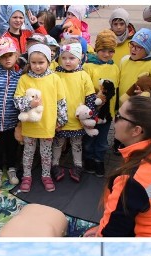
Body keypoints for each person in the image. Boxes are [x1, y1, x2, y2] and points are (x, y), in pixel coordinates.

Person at [91, 96, 151, 237]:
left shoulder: (131, 180)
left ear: (136, 131)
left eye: (119, 117)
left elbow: (110, 236)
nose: (114, 122)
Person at [15, 43, 67, 193]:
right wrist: (29, 103)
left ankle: (46, 175)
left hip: (47, 124)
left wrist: (61, 120)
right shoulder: (24, 79)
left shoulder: (55, 78)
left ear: (49, 62)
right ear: (29, 62)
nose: (37, 66)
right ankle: (26, 176)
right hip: (30, 126)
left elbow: (61, 101)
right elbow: (17, 100)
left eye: (41, 62)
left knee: (46, 153)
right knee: (28, 152)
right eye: (34, 63)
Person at [51, 40, 97, 183]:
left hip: (77, 120)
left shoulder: (83, 75)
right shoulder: (55, 74)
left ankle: (78, 166)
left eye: (72, 58)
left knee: (77, 144)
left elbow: (90, 96)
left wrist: (90, 115)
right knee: (58, 143)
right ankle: (55, 164)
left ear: (80, 58)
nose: (67, 61)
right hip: (60, 120)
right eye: (63, 58)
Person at [0, 37, 23, 188]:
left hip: (13, 122)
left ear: (16, 55)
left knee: (12, 147)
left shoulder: (20, 76)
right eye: (3, 56)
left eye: (10, 55)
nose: (7, 59)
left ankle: (12, 168)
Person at [83, 30, 121, 177]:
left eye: (111, 51)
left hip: (108, 112)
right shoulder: (88, 67)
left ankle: (99, 160)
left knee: (102, 139)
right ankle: (88, 159)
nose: (107, 54)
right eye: (103, 50)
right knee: (89, 138)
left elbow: (116, 89)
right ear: (97, 49)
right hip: (92, 111)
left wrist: (115, 108)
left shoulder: (115, 67)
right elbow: (85, 89)